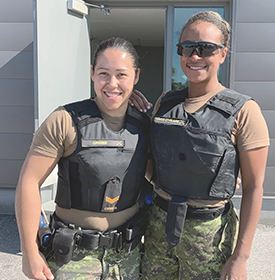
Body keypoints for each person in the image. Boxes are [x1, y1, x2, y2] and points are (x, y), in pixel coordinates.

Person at [130, 11, 269, 280]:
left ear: (223, 54)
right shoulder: (165, 102)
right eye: (187, 48)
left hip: (209, 235)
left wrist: (241, 257)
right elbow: (152, 161)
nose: (195, 56)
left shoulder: (245, 111)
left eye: (206, 48)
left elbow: (254, 188)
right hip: (159, 224)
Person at [15, 37, 152, 280]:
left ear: (136, 76)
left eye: (122, 75)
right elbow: (28, 182)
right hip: (73, 258)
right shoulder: (64, 120)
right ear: (91, 73)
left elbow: (161, 174)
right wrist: (29, 252)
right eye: (103, 73)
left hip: (128, 256)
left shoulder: (146, 126)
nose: (112, 84)